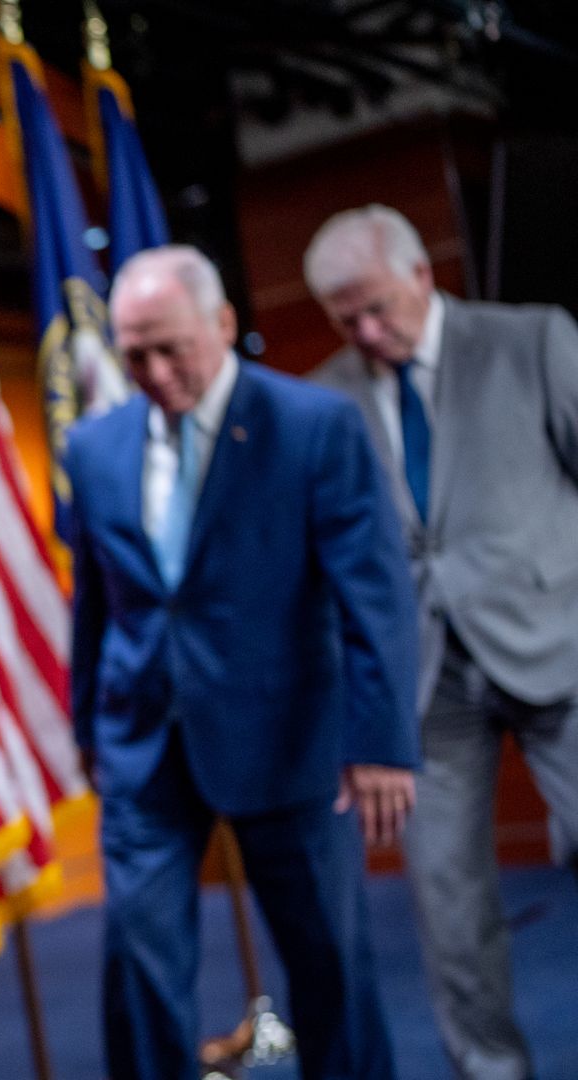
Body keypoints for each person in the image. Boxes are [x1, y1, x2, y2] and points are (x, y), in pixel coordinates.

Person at [64, 245, 419, 1080]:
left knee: (329, 962)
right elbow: (95, 604)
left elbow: (374, 594)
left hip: (292, 741)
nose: (152, 371)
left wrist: (380, 741)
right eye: (133, 352)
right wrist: (87, 727)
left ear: (222, 324)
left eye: (170, 347)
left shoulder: (313, 426)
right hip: (144, 747)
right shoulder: (93, 447)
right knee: (141, 967)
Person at [306, 204, 578, 1080]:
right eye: (347, 319)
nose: (369, 331)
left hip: (558, 647)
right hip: (421, 687)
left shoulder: (532, 341)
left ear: (423, 274)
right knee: (449, 908)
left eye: (380, 307)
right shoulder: (326, 397)